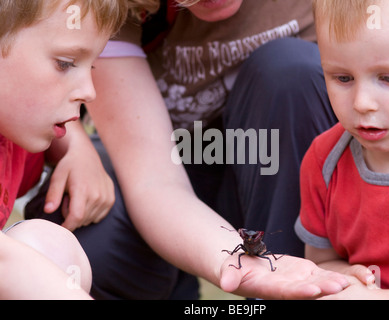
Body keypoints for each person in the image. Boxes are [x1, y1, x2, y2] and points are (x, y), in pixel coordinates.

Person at [27, 0, 345, 299]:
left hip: (280, 163)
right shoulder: (115, 9)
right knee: (85, 234)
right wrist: (225, 256)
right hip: (172, 162)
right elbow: (152, 180)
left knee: (290, 72)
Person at [296, 0, 389, 299]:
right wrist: (342, 277)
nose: (362, 102)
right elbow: (320, 260)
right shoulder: (325, 160)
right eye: (343, 78)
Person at [0, 0, 128, 298]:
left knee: (51, 248)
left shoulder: (17, 135)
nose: (89, 91)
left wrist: (78, 148)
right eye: (65, 63)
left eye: (90, 66)